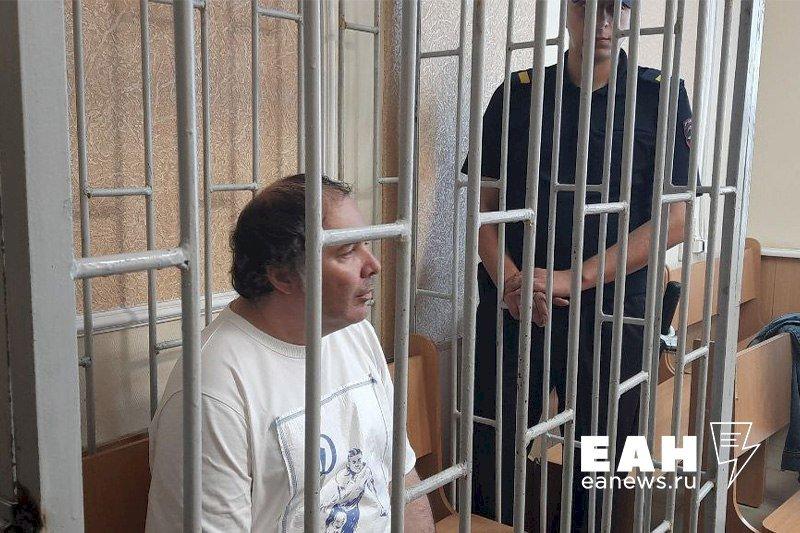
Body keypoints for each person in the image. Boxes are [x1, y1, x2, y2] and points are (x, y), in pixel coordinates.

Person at [464, 0, 697, 528]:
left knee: (599, 458)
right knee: (493, 443)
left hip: (613, 311)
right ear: (567, 10)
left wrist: (574, 278)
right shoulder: (519, 95)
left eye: (618, 8)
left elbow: (676, 220)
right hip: (517, 305)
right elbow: (482, 210)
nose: (603, 22)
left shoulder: (659, 97)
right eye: (588, 7)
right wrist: (513, 280)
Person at [146, 174, 435, 532]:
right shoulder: (211, 389)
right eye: (347, 251)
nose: (373, 264)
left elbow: (401, 478)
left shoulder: (354, 330)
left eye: (365, 244)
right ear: (283, 276)